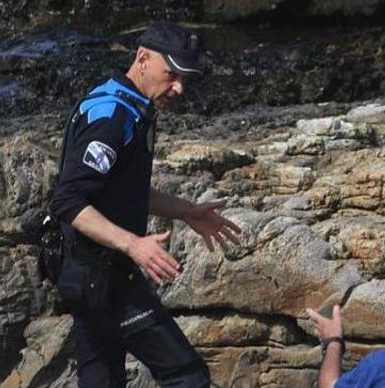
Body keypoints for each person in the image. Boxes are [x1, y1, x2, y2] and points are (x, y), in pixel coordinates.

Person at [49, 20, 243, 387]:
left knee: (102, 380)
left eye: (186, 78)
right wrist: (133, 244)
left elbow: (119, 189)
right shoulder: (111, 116)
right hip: (101, 277)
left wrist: (187, 211)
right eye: (171, 74)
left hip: (89, 274)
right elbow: (68, 201)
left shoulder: (132, 106)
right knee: (186, 375)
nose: (179, 88)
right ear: (142, 58)